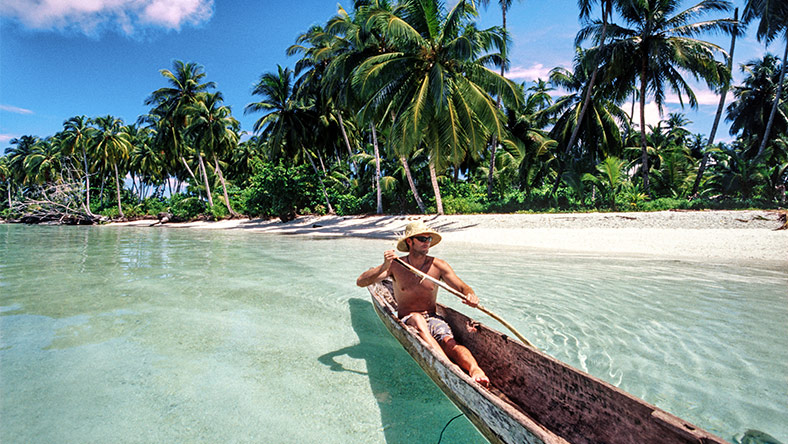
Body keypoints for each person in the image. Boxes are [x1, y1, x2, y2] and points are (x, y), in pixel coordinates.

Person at [356, 221, 489, 387]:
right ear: (410, 242)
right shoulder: (396, 266)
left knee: (450, 342)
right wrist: (384, 265)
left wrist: (471, 295)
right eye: (422, 239)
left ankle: (475, 368)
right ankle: (448, 366)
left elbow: (462, 286)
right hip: (408, 319)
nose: (427, 242)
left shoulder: (438, 265)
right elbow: (361, 282)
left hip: (433, 317)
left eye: (429, 239)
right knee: (418, 320)